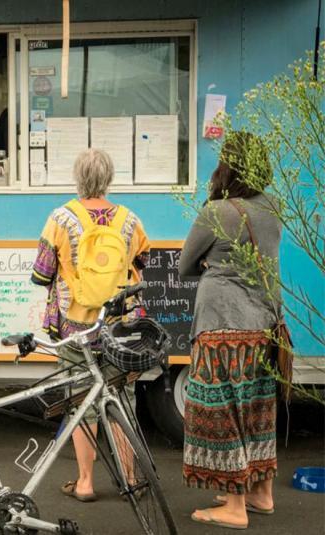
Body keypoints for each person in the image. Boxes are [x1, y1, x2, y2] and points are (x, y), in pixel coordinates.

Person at [31, 148, 150, 502]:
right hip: (121, 323)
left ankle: (85, 481)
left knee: (80, 402)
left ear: (78, 178)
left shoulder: (61, 218)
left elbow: (41, 273)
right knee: (123, 398)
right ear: (109, 178)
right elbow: (142, 261)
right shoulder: (130, 219)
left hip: (76, 326)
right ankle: (129, 479)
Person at [179, 133, 281, 530]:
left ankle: (234, 508)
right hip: (264, 323)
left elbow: (187, 265)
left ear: (228, 167)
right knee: (256, 408)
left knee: (222, 409)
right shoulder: (273, 208)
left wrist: (211, 263)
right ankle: (261, 494)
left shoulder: (217, 212)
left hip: (221, 323)